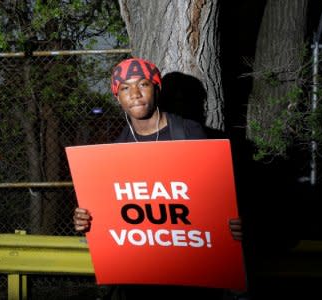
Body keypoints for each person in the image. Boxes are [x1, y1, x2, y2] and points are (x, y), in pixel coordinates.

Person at [73, 57, 243, 299]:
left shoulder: (189, 133)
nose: (134, 93)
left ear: (156, 88)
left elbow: (215, 198)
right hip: (141, 281)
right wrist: (87, 220)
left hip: (192, 276)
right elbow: (115, 216)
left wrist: (232, 221)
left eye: (143, 84)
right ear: (117, 97)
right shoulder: (114, 153)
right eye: (125, 87)